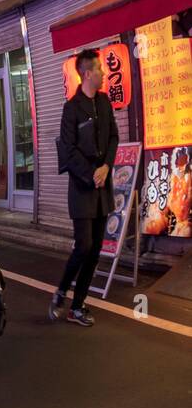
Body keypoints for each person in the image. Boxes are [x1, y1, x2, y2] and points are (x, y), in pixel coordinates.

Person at [51, 48, 119, 327]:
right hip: (82, 186)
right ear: (88, 73)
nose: (104, 74)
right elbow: (67, 151)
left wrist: (106, 167)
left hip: (102, 185)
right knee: (84, 245)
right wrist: (91, 173)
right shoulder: (72, 108)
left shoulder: (104, 103)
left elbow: (114, 137)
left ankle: (77, 306)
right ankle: (61, 290)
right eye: (100, 70)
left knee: (95, 249)